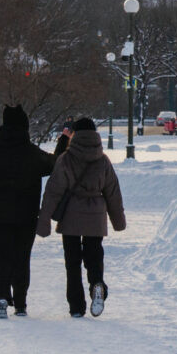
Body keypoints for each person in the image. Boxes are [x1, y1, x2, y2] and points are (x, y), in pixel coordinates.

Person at [37, 116, 126, 319]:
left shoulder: (66, 159)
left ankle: (76, 306)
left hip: (71, 216)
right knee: (94, 255)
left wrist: (44, 221)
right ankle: (97, 283)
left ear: (74, 135)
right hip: (96, 216)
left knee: (73, 262)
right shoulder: (103, 160)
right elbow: (113, 191)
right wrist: (118, 221)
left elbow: (53, 192)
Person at [0, 104, 53, 318]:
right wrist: (63, 142)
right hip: (26, 215)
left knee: (0, 257)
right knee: (21, 257)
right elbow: (54, 164)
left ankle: (2, 298)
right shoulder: (31, 152)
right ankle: (21, 304)